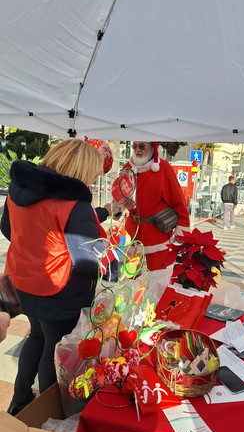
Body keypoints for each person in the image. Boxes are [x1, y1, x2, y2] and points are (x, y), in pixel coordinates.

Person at [1, 139, 107, 415]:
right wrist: (114, 265)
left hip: (22, 281)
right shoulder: (73, 204)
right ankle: (49, 413)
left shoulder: (17, 190)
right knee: (54, 350)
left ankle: (20, 400)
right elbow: (87, 260)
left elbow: (8, 230)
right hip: (57, 288)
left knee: (36, 337)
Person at [120, 142, 190, 271]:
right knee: (131, 276)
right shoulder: (127, 168)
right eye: (134, 146)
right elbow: (120, 194)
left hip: (157, 230)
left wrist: (182, 228)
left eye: (142, 146)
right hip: (134, 230)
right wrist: (118, 208)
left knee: (159, 276)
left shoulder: (163, 167)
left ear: (153, 148)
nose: (137, 150)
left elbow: (178, 199)